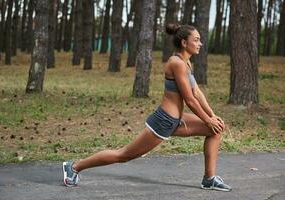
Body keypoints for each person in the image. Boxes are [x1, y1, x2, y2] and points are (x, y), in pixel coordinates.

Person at [62, 24, 232, 192]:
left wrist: (213, 116)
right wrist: (207, 119)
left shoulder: (186, 63)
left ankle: (209, 179)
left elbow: (197, 92)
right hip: (164, 121)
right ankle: (74, 167)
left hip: (177, 120)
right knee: (124, 155)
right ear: (184, 43)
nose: (200, 43)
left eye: (200, 40)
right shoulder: (177, 63)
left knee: (215, 130)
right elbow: (190, 100)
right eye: (196, 40)